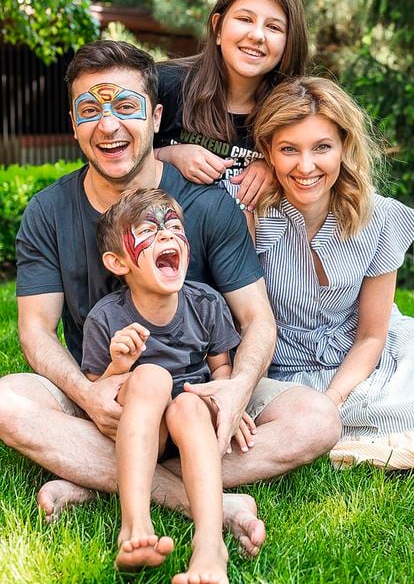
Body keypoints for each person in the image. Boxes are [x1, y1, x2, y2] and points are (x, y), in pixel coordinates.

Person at [0, 42, 341, 549]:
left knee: (316, 420)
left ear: (157, 117)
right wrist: (88, 395)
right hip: (106, 389)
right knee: (6, 401)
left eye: (126, 107)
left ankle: (97, 478)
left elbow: (257, 319)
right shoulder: (48, 212)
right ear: (73, 124)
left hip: (201, 395)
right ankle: (194, 497)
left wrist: (235, 389)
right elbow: (34, 331)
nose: (109, 126)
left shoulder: (207, 207)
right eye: (90, 110)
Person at [234, 75, 414, 468]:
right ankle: (359, 439)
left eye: (322, 148)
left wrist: (332, 400)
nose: (306, 166)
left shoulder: (380, 217)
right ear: (267, 151)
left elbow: (371, 336)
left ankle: (347, 432)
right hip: (281, 366)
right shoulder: (248, 212)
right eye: (288, 149)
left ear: (344, 147)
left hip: (361, 359)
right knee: (289, 413)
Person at [83, 187, 253, 580]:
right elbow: (96, 397)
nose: (166, 235)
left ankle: (210, 547)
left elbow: (221, 371)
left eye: (174, 227)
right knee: (152, 376)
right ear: (117, 262)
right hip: (143, 431)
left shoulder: (207, 303)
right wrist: (119, 366)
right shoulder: (105, 319)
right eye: (148, 230)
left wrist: (231, 402)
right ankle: (135, 526)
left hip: (192, 426)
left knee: (191, 404)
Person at [154, 0, 308, 212]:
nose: (258, 35)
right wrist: (167, 156)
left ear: (290, 41)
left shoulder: (295, 109)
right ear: (217, 27)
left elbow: (316, 166)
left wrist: (277, 167)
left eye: (274, 27)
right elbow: (114, 158)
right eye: (245, 19)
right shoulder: (164, 84)